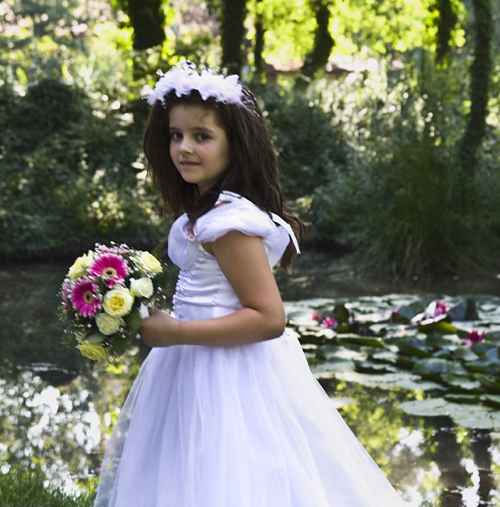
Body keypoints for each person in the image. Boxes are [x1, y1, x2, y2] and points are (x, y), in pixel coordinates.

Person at [94, 61, 410, 507]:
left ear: (235, 144)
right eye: (176, 135)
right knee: (187, 474)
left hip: (228, 373)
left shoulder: (229, 224)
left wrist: (177, 331)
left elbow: (269, 318)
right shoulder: (207, 212)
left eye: (202, 136)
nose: (184, 147)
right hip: (194, 361)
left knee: (229, 477)